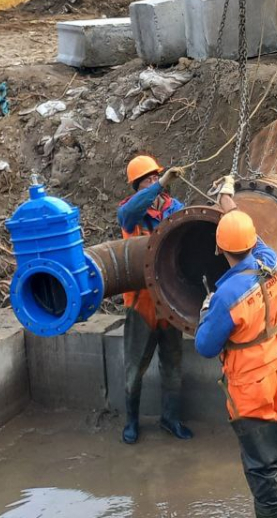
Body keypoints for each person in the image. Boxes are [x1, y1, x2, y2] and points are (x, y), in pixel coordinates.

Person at [196, 176, 277, 518]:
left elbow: (205, 346)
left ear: (219, 249)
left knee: (263, 472)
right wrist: (229, 202)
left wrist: (204, 312)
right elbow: (253, 239)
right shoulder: (270, 261)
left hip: (253, 389)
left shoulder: (227, 295)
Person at [116, 155, 193, 445]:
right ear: (137, 186)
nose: (154, 183)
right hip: (141, 304)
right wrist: (158, 185)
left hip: (170, 301)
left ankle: (170, 419)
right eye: (147, 180)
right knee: (135, 368)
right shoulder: (130, 213)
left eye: (156, 177)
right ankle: (131, 422)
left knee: (173, 365)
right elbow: (128, 215)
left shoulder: (174, 210)